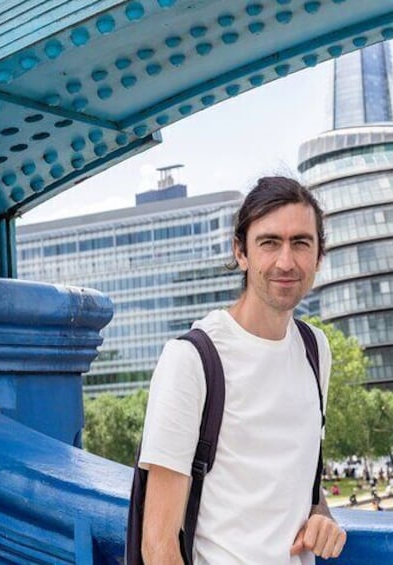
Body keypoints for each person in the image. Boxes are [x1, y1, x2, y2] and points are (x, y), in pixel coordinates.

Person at [138, 177, 346, 564]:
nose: (286, 261)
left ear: (318, 256)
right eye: (269, 243)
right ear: (241, 252)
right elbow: (158, 545)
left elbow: (300, 484)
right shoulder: (193, 359)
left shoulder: (316, 349)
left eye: (301, 243)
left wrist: (322, 516)